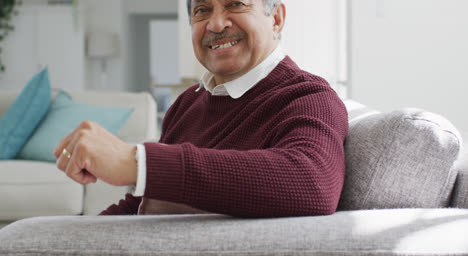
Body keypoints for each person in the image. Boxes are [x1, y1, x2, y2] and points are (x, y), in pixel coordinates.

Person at [54, 0, 348, 218]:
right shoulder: (187, 103)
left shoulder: (309, 97)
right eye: (202, 10)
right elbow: (143, 205)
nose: (216, 24)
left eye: (235, 4)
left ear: (277, 19)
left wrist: (138, 162)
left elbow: (313, 184)